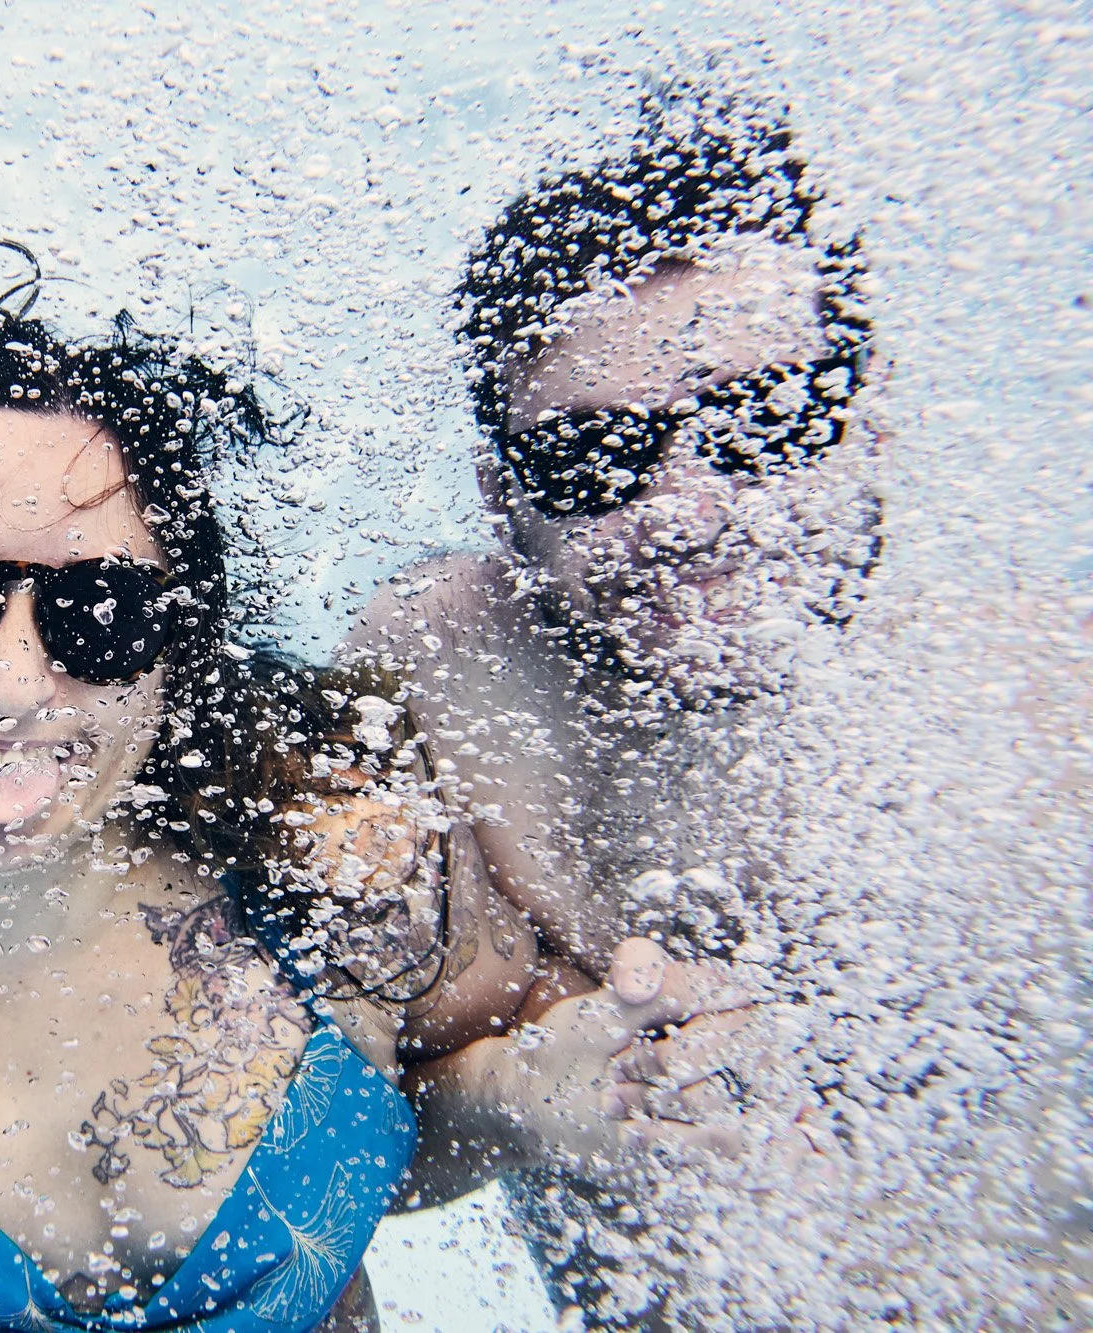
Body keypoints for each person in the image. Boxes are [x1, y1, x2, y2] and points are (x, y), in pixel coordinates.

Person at [0, 311, 760, 1332]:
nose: (8, 680)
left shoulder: (335, 847)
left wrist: (537, 1092)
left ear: (170, 642)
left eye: (98, 614)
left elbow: (425, 1109)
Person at [341, 86, 874, 1326]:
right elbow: (342, 1145)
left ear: (872, 420)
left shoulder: (1038, 737)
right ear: (500, 493)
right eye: (596, 459)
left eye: (763, 422)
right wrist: (529, 1091)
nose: (687, 517)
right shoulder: (439, 679)